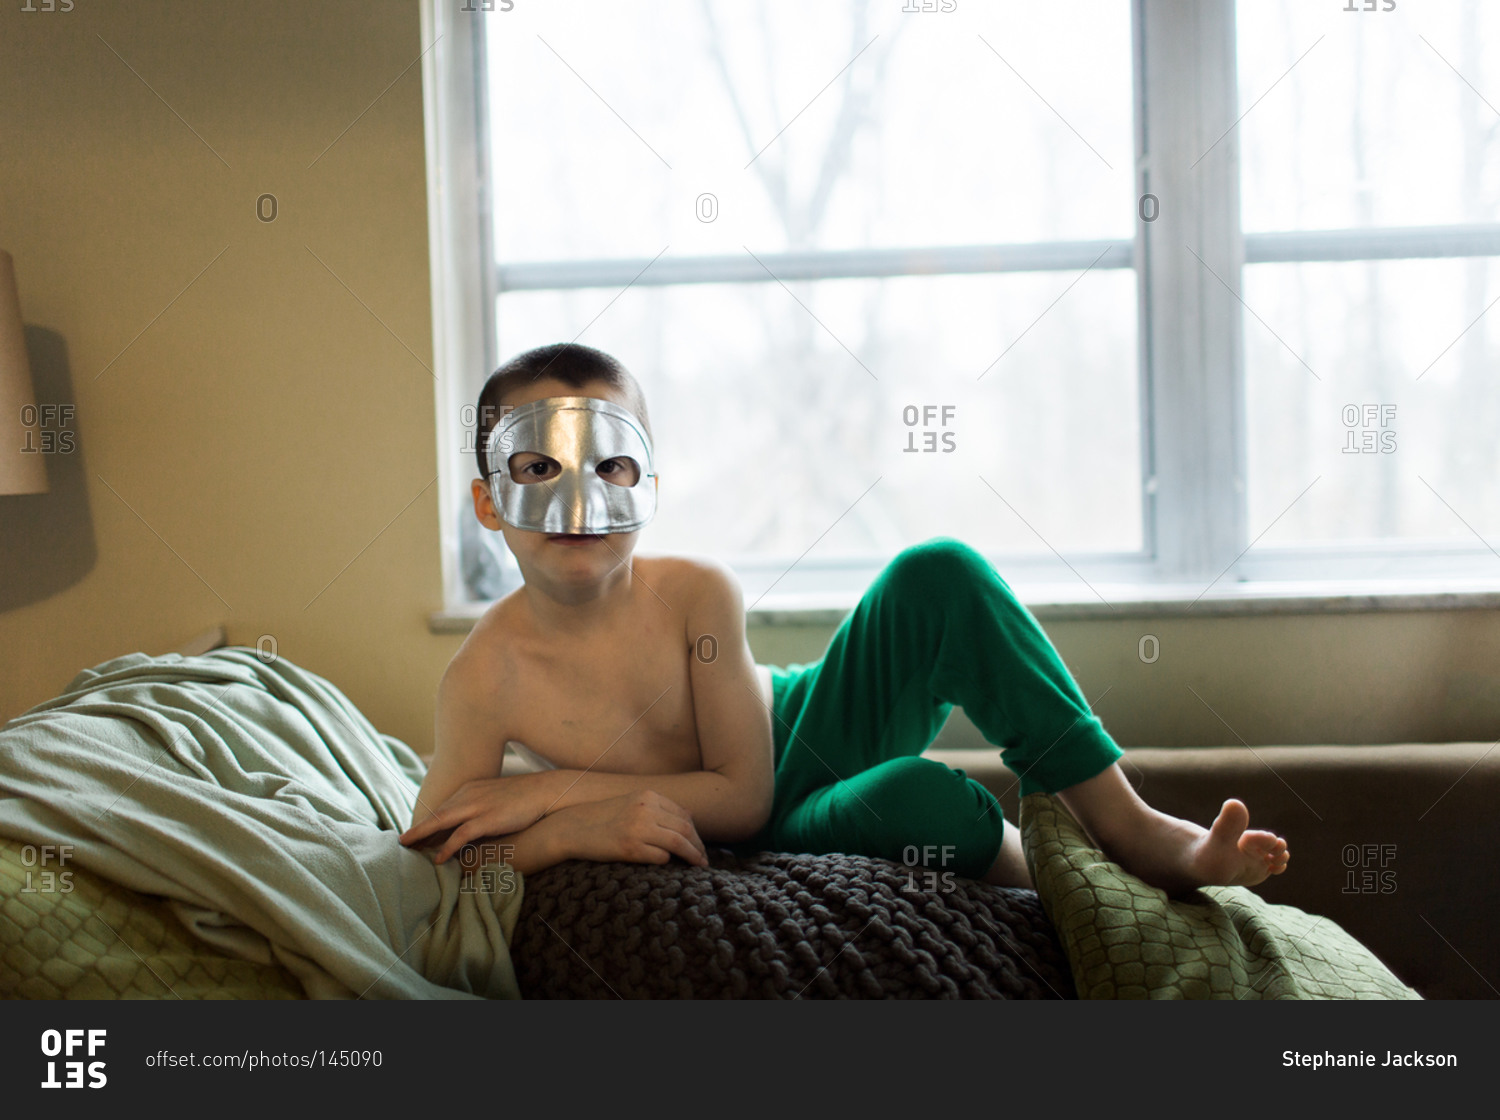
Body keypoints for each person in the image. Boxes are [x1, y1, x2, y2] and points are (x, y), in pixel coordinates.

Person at [400, 343, 1290, 894]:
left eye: (613, 468)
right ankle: (1071, 894)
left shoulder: (696, 592)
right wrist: (559, 835)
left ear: (650, 487)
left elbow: (740, 788)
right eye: (537, 470)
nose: (581, 503)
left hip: (800, 729)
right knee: (932, 800)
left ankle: (1133, 832)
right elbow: (437, 860)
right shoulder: (485, 675)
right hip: (785, 822)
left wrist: (543, 790)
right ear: (488, 502)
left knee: (935, 571)